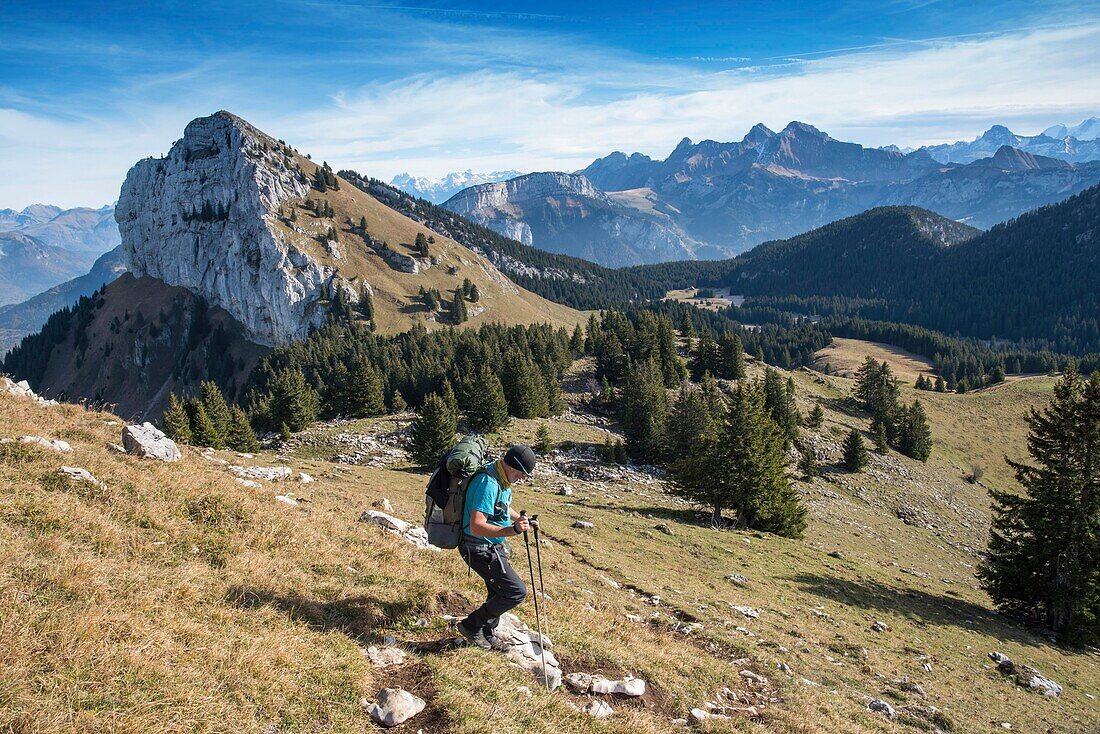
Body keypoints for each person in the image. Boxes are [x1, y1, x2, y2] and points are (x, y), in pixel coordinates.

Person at [456, 444, 538, 649]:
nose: (524, 478)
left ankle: (487, 632)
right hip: (477, 548)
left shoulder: (500, 477)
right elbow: (476, 526)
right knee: (515, 591)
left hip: (490, 547)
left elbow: (502, 505)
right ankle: (471, 625)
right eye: (523, 473)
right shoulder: (488, 482)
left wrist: (521, 519)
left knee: (497, 590)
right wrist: (513, 530)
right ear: (513, 466)